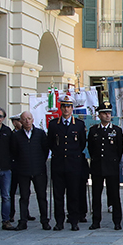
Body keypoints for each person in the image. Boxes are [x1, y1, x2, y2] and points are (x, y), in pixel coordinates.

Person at [48, 99, 87, 231]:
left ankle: (74, 220)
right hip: (58, 164)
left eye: (69, 107)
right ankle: (59, 221)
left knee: (74, 194)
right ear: (61, 108)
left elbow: (81, 144)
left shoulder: (79, 125)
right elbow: (51, 143)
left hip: (73, 164)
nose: (66, 109)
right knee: (58, 195)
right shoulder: (53, 124)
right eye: (64, 106)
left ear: (72, 109)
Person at [87, 102, 123, 230]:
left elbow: (119, 149)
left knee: (114, 195)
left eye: (109, 113)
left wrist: (114, 161)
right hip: (97, 166)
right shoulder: (93, 130)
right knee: (96, 195)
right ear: (99, 115)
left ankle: (117, 221)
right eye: (104, 113)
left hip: (112, 166)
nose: (107, 115)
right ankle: (96, 221)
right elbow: (91, 148)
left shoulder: (116, 130)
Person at [11, 111, 51, 230]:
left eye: (29, 118)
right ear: (21, 121)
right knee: (24, 197)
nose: (27, 121)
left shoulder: (40, 134)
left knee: (42, 196)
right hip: (23, 170)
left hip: (39, 170)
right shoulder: (16, 136)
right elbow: (14, 152)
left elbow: (45, 150)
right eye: (24, 119)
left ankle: (45, 221)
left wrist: (39, 162)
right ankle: (23, 221)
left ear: (33, 120)